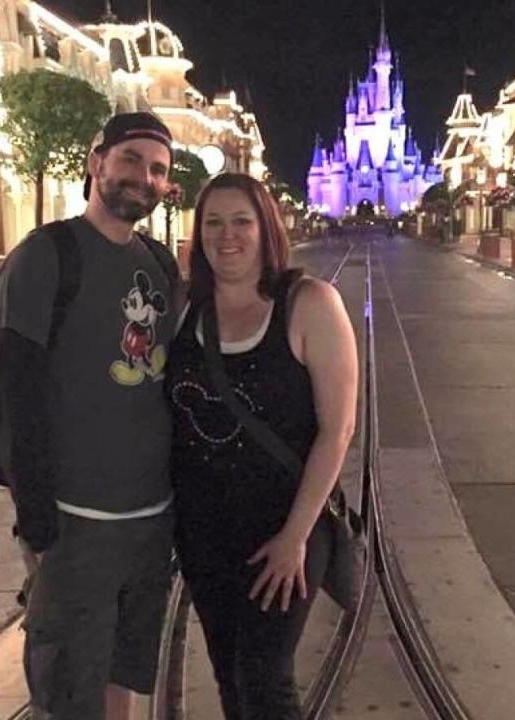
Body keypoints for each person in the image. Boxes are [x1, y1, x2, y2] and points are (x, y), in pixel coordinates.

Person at [0, 112, 179, 720]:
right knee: (69, 691)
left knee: (125, 673)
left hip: (150, 521)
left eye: (157, 169)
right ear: (96, 163)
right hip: (76, 523)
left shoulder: (161, 265)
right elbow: (16, 390)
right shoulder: (46, 255)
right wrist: (37, 520)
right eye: (129, 160)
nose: (142, 178)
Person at [166, 173, 359, 719]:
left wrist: (295, 536)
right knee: (229, 672)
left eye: (242, 221)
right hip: (203, 530)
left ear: (266, 228)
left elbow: (337, 430)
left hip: (286, 527)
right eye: (214, 222)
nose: (227, 236)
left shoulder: (309, 303)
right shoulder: (184, 308)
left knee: (263, 676)